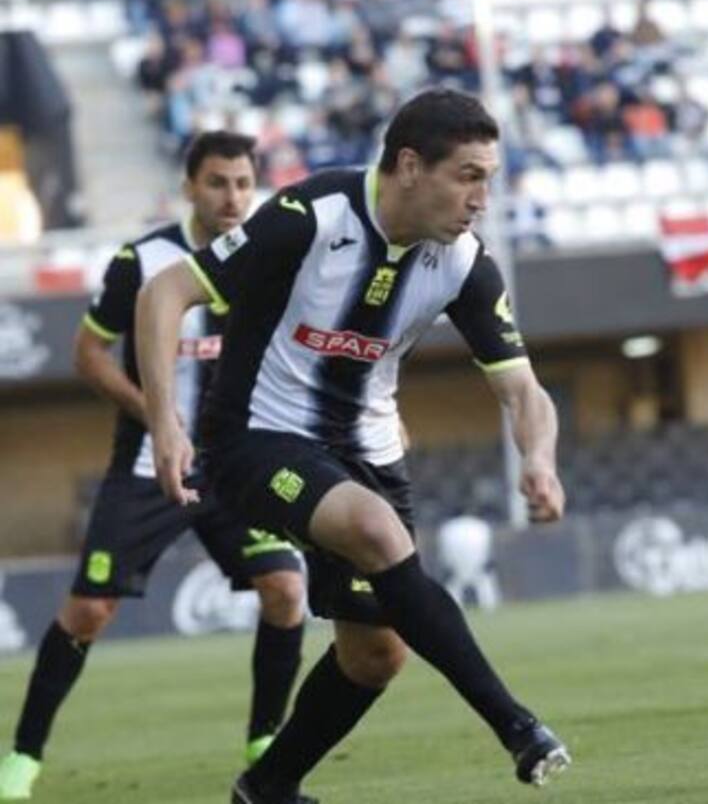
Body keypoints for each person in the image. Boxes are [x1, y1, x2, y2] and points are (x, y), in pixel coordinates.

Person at [136, 89, 571, 803]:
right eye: (467, 175)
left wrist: (540, 458)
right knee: (375, 529)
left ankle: (267, 788)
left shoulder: (462, 261)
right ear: (408, 165)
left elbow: (523, 389)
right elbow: (164, 294)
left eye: (488, 178)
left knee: (375, 655)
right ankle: (517, 727)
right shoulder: (311, 216)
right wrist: (165, 424)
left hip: (369, 450)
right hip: (255, 438)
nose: (481, 198)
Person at [0, 131, 307, 801]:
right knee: (88, 611)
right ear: (190, 187)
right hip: (147, 465)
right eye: (218, 183)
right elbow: (89, 353)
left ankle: (263, 741)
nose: (232, 197)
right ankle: (21, 758)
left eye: (244, 184)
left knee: (285, 591)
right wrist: (160, 417)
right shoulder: (142, 261)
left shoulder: (270, 258)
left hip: (235, 467)